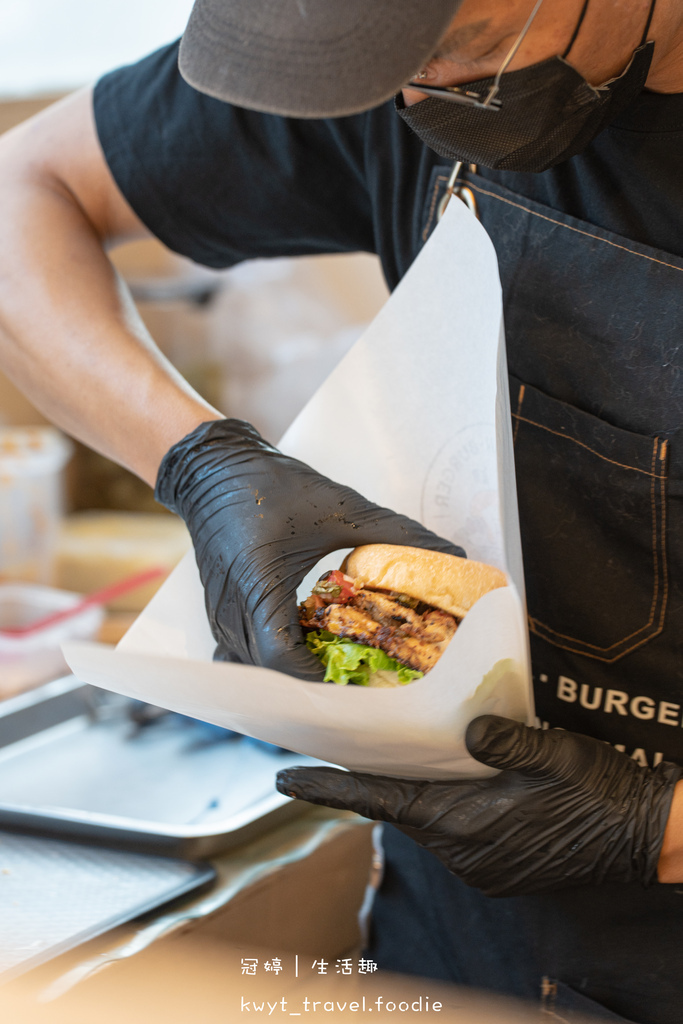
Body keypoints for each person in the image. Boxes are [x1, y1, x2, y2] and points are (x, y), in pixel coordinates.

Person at [1, 0, 683, 1019]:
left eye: (449, 50)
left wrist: (654, 826)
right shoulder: (383, 58)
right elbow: (24, 193)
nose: (406, 100)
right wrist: (201, 461)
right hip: (455, 942)